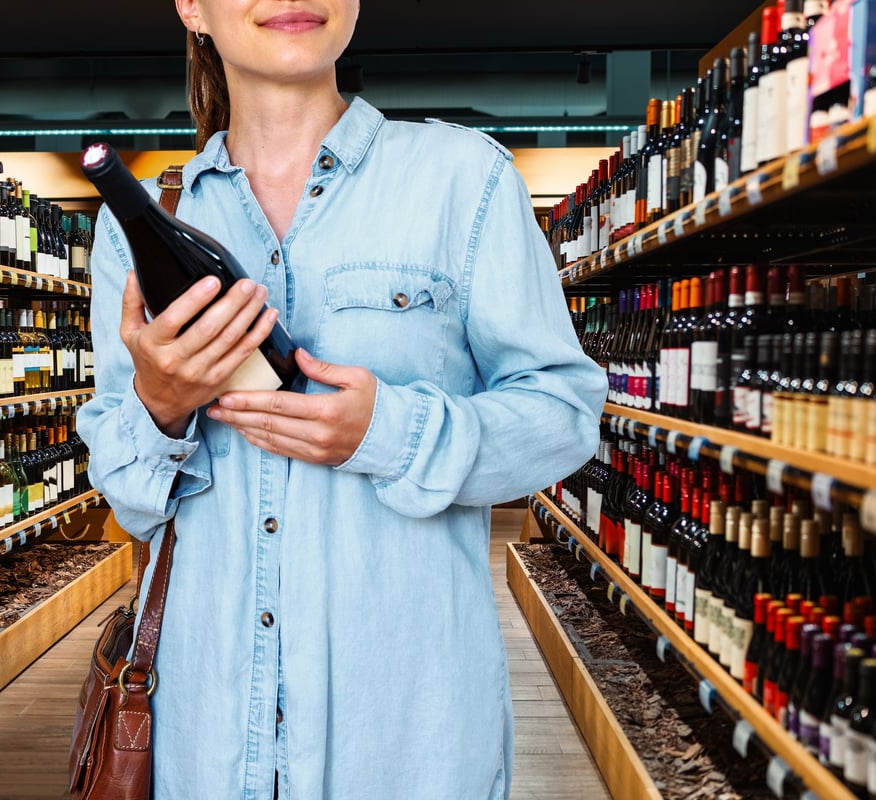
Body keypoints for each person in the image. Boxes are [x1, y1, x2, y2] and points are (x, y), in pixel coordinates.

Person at [76, 1, 608, 797]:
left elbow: (564, 416)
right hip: (211, 746)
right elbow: (128, 500)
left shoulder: (464, 180)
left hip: (408, 749)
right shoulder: (146, 223)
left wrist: (388, 434)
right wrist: (158, 406)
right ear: (192, 7)